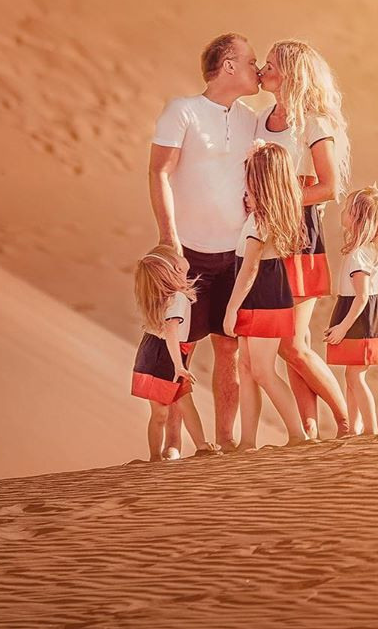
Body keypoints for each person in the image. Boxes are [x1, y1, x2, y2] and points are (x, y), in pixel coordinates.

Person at [148, 32, 259, 453]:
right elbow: (158, 171)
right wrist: (168, 241)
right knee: (180, 346)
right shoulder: (183, 111)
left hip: (235, 253)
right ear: (228, 64)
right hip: (187, 251)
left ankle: (225, 442)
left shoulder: (251, 118)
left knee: (229, 347)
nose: (257, 68)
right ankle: (174, 445)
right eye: (251, 61)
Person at [255, 39, 350, 437]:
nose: (263, 69)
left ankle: (346, 423)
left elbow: (329, 187)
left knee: (291, 344)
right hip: (265, 238)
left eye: (271, 64)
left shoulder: (314, 121)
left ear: (291, 74)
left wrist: (280, 201)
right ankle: (308, 431)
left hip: (299, 235)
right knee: (295, 342)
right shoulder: (262, 118)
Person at [223, 141, 307, 446]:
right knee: (246, 369)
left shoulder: (261, 222)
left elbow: (250, 271)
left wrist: (231, 309)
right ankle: (247, 442)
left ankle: (299, 435)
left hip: (264, 299)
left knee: (261, 370)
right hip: (257, 298)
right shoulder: (258, 216)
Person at [130, 244, 220, 460]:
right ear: (174, 269)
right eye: (176, 257)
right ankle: (157, 457)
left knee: (178, 404)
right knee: (163, 411)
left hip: (156, 351)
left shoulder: (166, 295)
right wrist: (179, 365)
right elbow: (171, 332)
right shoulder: (176, 298)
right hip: (165, 355)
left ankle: (201, 446)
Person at [325, 185, 378, 435]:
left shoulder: (359, 255)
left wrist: (342, 328)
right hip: (358, 314)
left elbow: (362, 296)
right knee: (351, 375)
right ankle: (352, 429)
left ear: (357, 218)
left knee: (356, 377)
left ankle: (370, 430)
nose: (341, 213)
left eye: (346, 210)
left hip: (360, 319)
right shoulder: (367, 251)